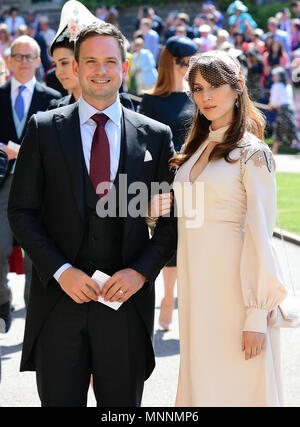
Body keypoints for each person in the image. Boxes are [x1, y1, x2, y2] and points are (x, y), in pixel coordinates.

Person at [7, 21, 176, 407]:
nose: (101, 70)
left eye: (110, 61)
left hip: (125, 305)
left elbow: (170, 224)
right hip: (58, 305)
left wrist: (140, 272)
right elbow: (22, 211)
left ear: (125, 66)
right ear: (76, 67)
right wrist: (61, 272)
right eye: (91, 61)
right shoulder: (44, 128)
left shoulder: (156, 135)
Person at [169, 50, 287, 406]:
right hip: (196, 292)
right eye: (197, 88)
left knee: (237, 386)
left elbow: (260, 232)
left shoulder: (252, 152)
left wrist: (255, 313)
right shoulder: (197, 147)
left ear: (237, 88)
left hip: (236, 295)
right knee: (203, 383)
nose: (205, 97)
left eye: (214, 86)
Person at [0, 35, 61, 323]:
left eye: (29, 57)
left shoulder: (52, 99)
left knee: (34, 253)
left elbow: (55, 145)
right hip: (2, 184)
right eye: (18, 56)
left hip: (39, 186)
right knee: (0, 248)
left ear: (38, 62)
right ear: (9, 60)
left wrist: (23, 152)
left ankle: (32, 311)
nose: (23, 62)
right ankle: (2, 303)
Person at [139, 35, 197, 330]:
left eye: (192, 62)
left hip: (197, 180)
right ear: (168, 62)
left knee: (193, 241)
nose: (188, 67)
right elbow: (140, 144)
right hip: (165, 181)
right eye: (183, 62)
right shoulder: (151, 100)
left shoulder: (197, 97)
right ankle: (168, 296)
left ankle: (178, 298)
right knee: (169, 240)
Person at [48, 1, 134, 111]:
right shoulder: (55, 110)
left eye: (64, 63)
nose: (58, 72)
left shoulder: (123, 106)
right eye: (55, 64)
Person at [268, 66, 300, 152]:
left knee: (284, 130)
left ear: (279, 76)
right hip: (289, 109)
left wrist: (271, 105)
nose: (273, 77)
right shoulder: (287, 85)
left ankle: (274, 150)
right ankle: (274, 150)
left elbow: (274, 101)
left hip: (283, 110)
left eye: (274, 75)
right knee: (292, 129)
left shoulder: (276, 85)